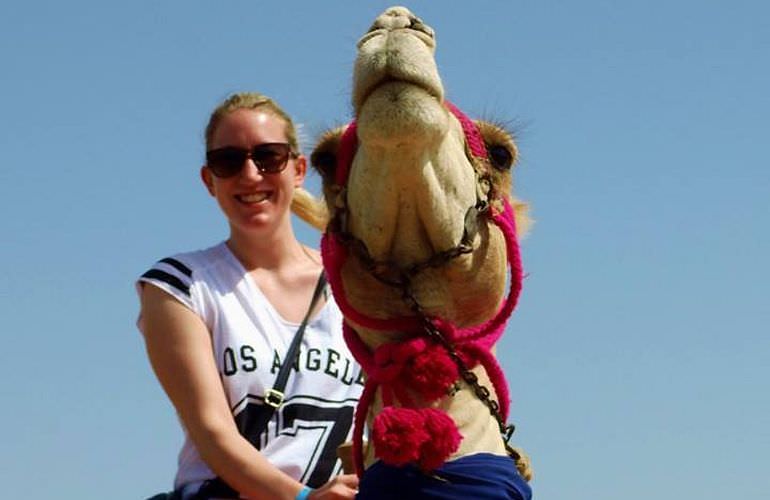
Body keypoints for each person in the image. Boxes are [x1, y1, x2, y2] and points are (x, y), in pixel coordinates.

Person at [137, 92, 362, 500]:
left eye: (268, 157)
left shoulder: (357, 286)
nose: (250, 174)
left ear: (298, 169)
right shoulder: (180, 286)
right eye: (228, 161)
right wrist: (302, 499)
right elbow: (212, 431)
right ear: (209, 181)